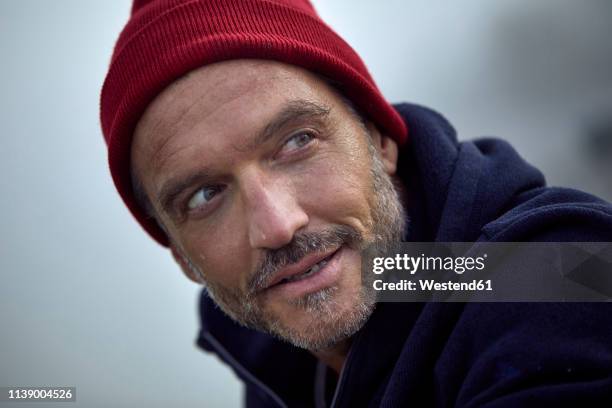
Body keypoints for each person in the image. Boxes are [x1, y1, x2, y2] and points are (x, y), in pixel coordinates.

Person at [100, 0, 612, 406]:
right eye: (206, 195)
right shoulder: (281, 358)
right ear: (181, 256)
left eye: (296, 142)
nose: (278, 226)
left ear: (380, 139)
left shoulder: (556, 269)